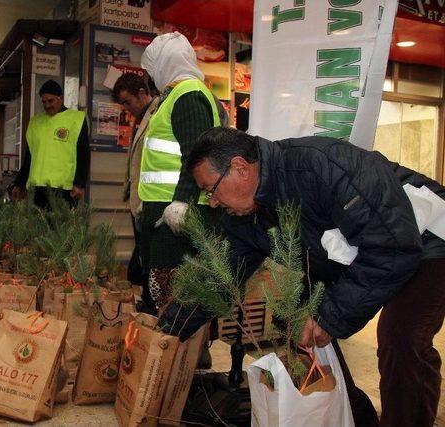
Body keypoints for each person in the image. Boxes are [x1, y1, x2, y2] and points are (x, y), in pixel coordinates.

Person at [172, 126, 445, 427]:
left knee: (401, 336)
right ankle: (353, 415)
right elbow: (223, 274)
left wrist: (329, 317)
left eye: (211, 190)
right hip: (356, 250)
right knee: (298, 325)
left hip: (426, 241)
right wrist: (171, 328)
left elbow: (393, 247)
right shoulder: (245, 213)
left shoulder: (321, 165)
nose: (212, 202)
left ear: (240, 167)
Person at [138, 31, 222, 309]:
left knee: (172, 300)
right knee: (160, 294)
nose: (151, 77)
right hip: (162, 211)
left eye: (152, 69)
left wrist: (181, 203)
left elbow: (196, 154)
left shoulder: (189, 94)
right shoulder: (172, 96)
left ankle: (184, 353)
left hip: (176, 217)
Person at [111, 72, 158, 314]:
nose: (127, 109)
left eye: (128, 102)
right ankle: (147, 301)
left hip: (151, 200)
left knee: (148, 259)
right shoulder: (140, 118)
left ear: (142, 93)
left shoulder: (157, 114)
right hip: (138, 199)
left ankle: (151, 305)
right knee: (142, 256)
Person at [11, 80, 90, 208]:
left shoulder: (76, 119)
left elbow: (83, 154)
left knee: (61, 227)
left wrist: (79, 183)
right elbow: (29, 157)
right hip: (37, 188)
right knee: (37, 227)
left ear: (61, 98)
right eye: (44, 102)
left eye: (51, 101)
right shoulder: (36, 122)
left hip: (64, 188)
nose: (47, 105)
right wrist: (19, 183)